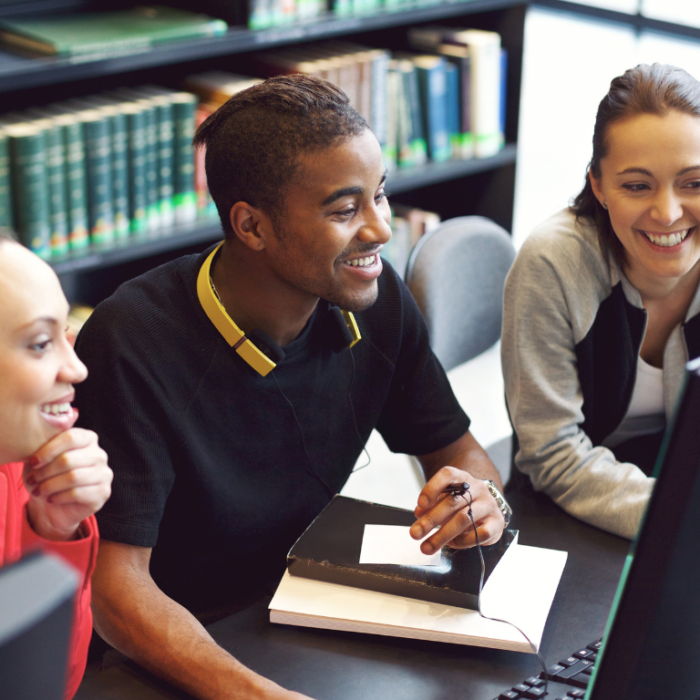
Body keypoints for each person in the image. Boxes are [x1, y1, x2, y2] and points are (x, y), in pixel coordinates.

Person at [73, 74, 511, 700]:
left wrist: (481, 498)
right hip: (165, 652)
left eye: (380, 196)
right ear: (251, 226)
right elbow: (116, 591)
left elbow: (459, 451)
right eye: (344, 210)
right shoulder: (132, 340)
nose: (381, 230)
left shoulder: (374, 300)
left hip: (299, 614)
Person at [502, 63, 700, 539]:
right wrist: (676, 517)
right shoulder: (552, 262)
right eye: (637, 185)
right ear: (598, 186)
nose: (667, 212)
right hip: (563, 511)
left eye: (693, 183)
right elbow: (552, 453)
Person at [0, 230, 112, 699]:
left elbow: (48, 686)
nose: (77, 369)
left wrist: (51, 529)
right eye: (41, 344)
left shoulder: (20, 471)